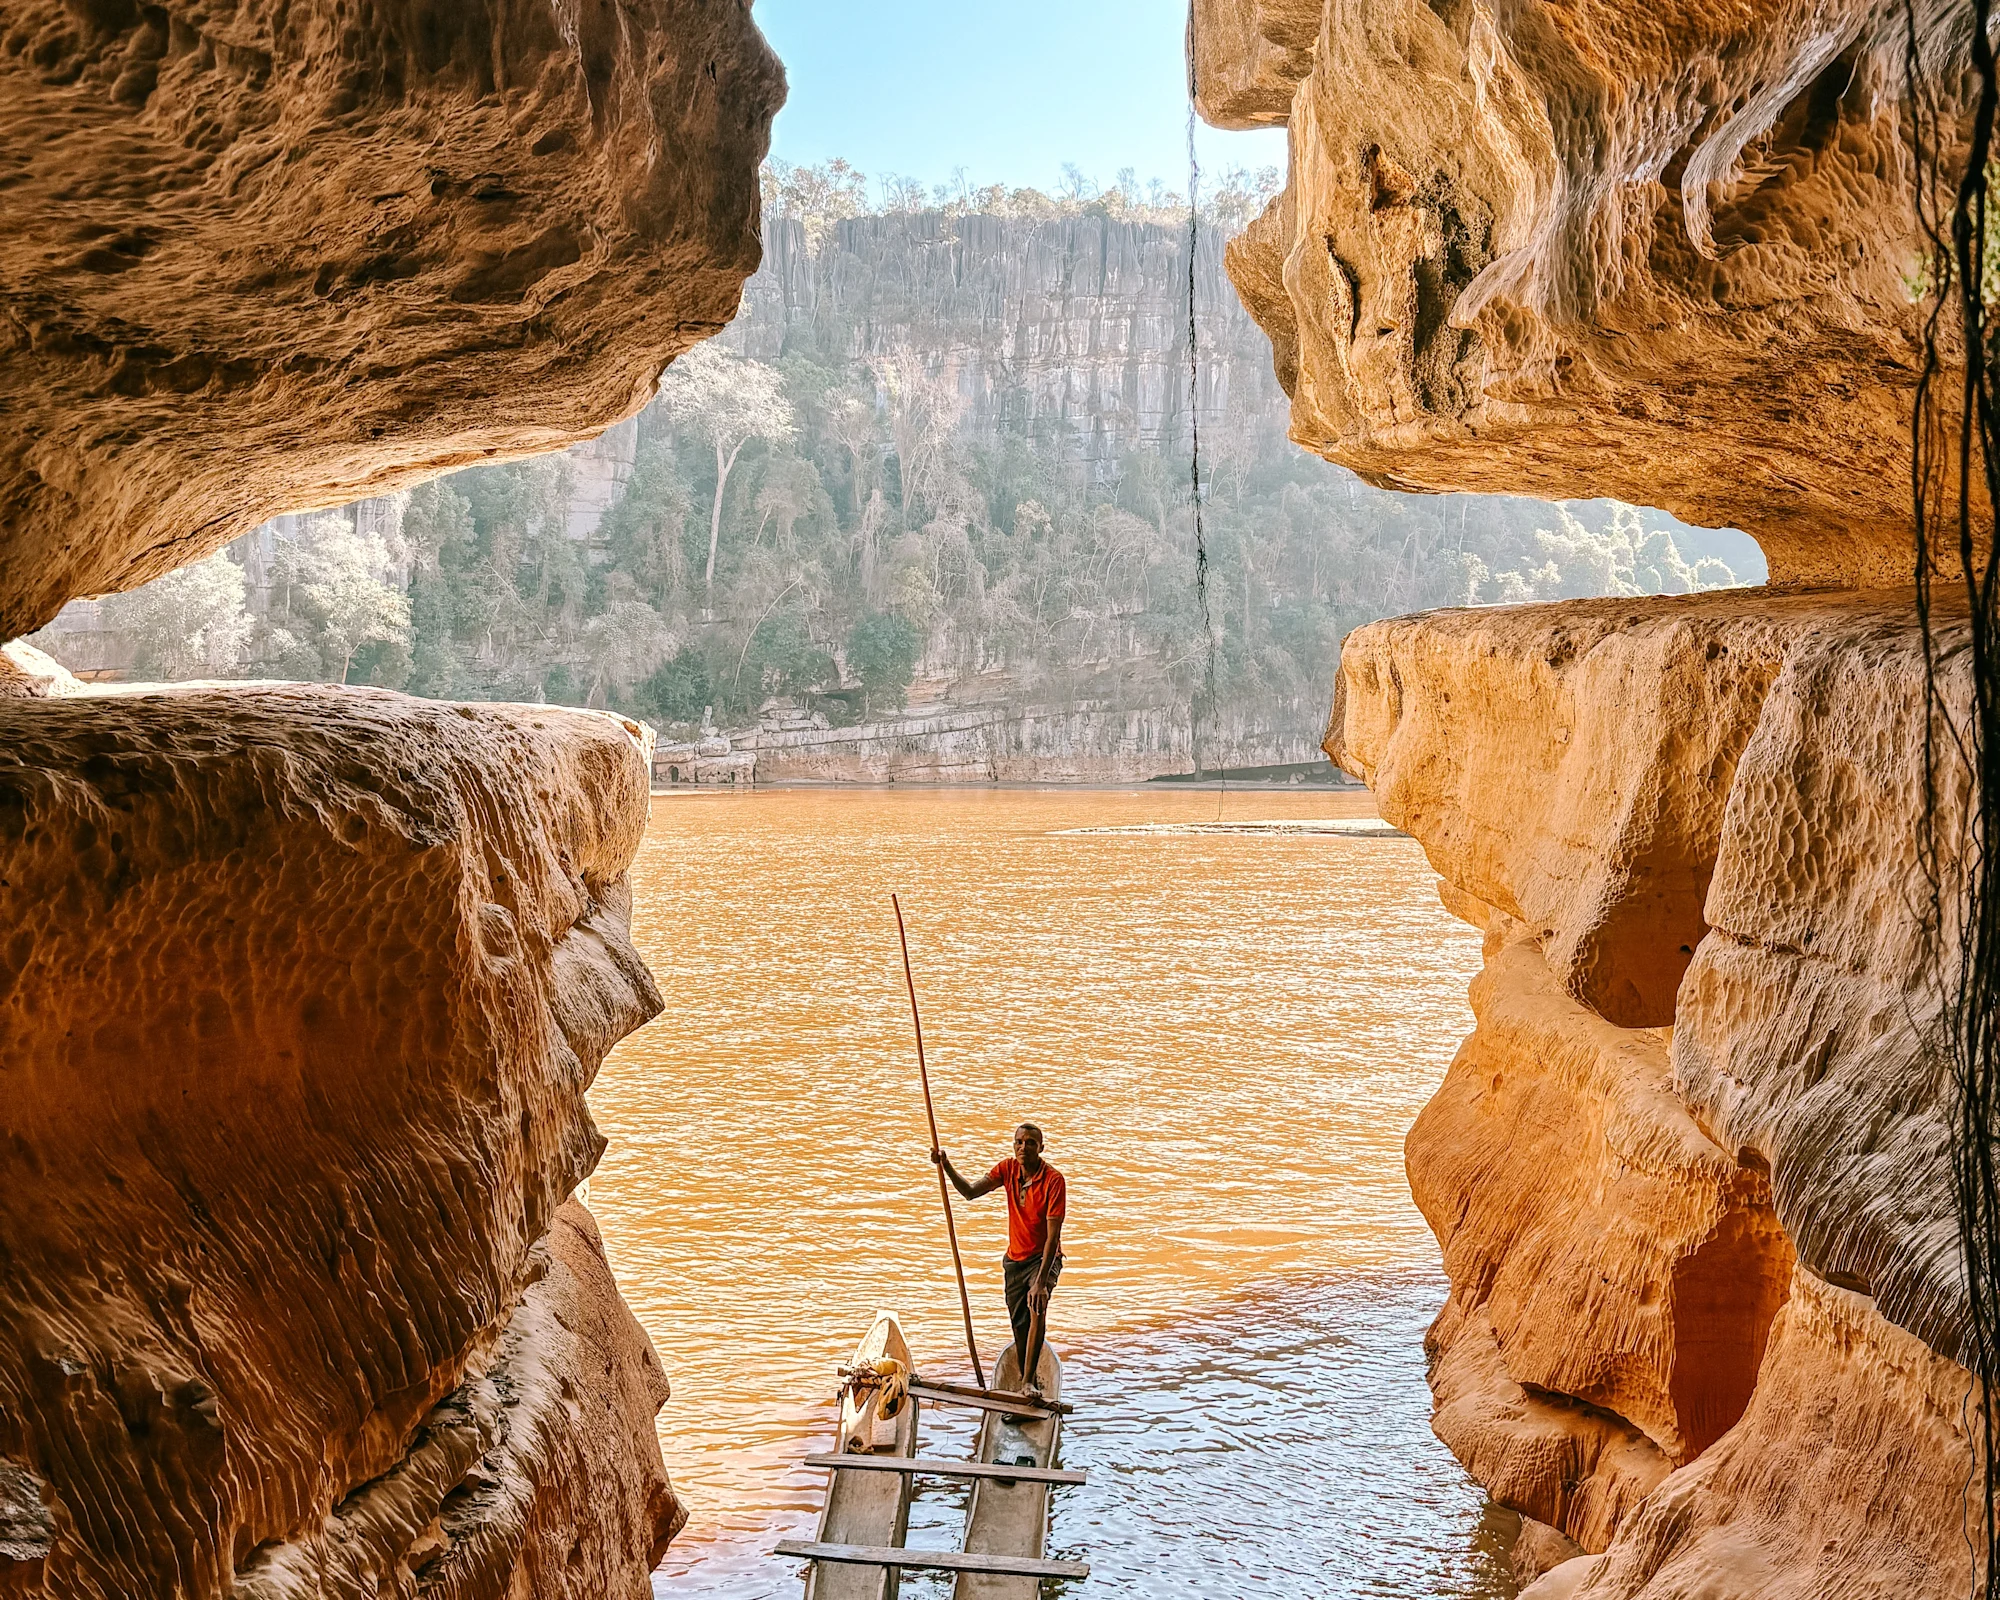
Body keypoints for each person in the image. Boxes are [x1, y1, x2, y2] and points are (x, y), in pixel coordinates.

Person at [932, 1124, 1065, 1395]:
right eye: (1018, 1142)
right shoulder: (1007, 1169)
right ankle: (1023, 1374)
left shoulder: (1053, 1180)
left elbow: (1053, 1237)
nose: (1023, 1147)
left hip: (1043, 1259)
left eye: (1030, 1143)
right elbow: (969, 1192)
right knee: (1019, 1322)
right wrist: (946, 1165)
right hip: (1015, 1260)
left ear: (1041, 1148)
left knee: (1037, 1308)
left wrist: (1040, 1282)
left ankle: (1028, 1381)